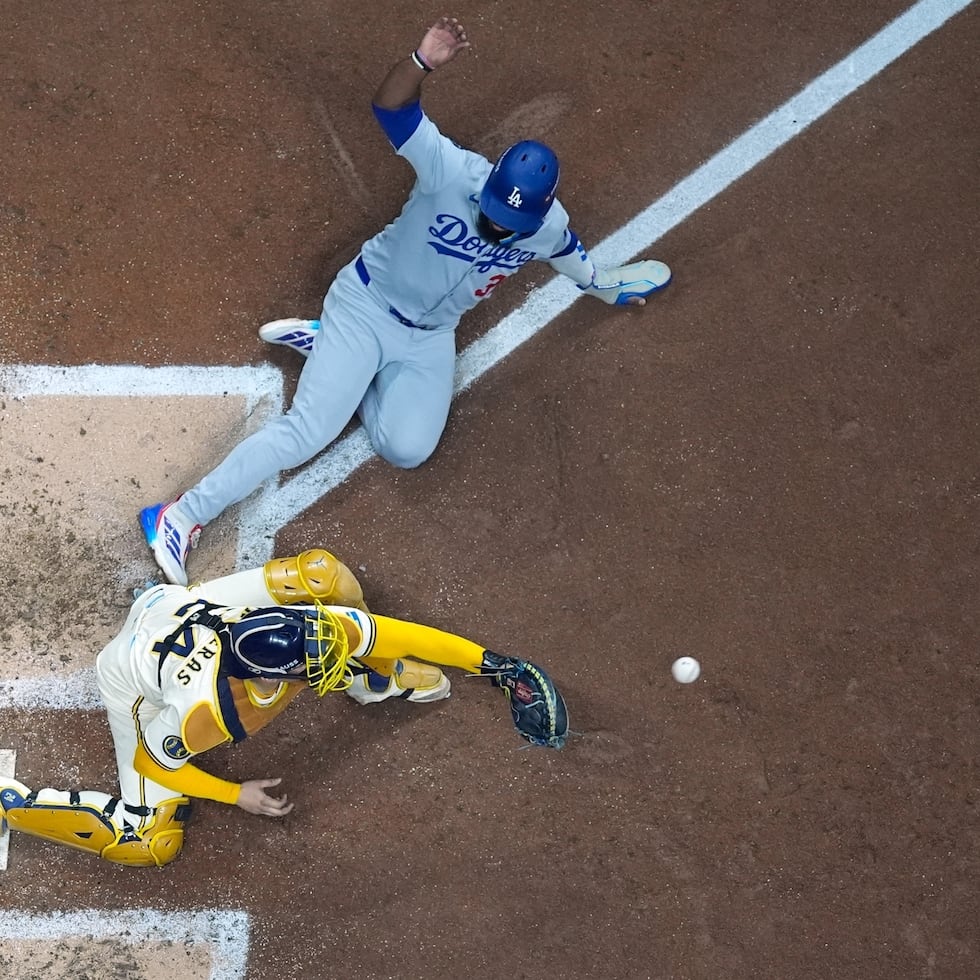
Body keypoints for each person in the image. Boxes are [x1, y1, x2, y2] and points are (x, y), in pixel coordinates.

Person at [139, 15, 671, 586]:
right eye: (493, 208)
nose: (495, 223)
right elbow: (391, 109)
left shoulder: (547, 229)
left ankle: (326, 356)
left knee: (408, 448)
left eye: (509, 221)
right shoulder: (451, 172)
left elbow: (580, 265)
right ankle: (181, 514)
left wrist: (614, 289)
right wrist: (421, 63)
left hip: (429, 339)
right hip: (365, 306)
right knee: (307, 432)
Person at [0, 548, 567, 868]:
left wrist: (497, 665)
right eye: (313, 668)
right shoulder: (207, 714)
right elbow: (154, 763)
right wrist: (234, 794)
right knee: (148, 842)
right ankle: (11, 803)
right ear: (274, 678)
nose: (332, 644)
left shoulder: (305, 630)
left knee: (324, 576)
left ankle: (374, 686)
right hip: (131, 674)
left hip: (177, 608)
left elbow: (405, 636)